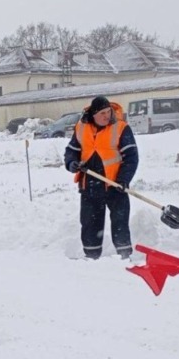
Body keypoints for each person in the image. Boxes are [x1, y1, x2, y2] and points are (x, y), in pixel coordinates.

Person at [64, 96, 139, 259]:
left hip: (114, 185)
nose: (107, 116)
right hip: (89, 185)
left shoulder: (120, 128)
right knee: (90, 224)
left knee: (120, 223)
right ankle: (91, 256)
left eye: (108, 112)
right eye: (103, 113)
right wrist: (72, 163)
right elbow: (71, 151)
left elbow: (131, 157)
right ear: (93, 114)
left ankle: (124, 256)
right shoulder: (81, 127)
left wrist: (123, 179)